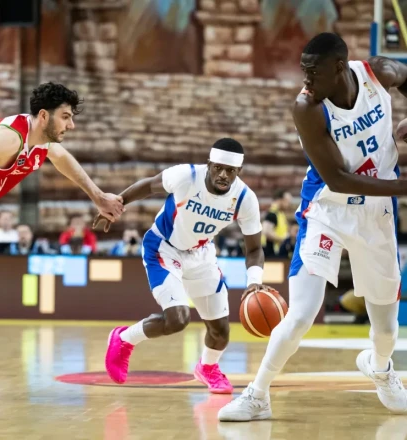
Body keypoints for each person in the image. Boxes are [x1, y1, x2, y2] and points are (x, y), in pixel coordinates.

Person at [218, 32, 407, 421]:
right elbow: (338, 179)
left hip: (376, 215)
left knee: (387, 329)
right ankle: (257, 394)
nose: (304, 79)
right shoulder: (307, 107)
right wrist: (403, 187)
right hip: (326, 210)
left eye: (312, 71)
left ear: (338, 67)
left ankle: (381, 368)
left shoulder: (379, 73)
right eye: (303, 70)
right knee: (301, 314)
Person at [0, 82, 124, 398]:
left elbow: (62, 158)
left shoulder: (41, 143)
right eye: (65, 117)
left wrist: (98, 197)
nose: (71, 125)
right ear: (43, 116)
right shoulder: (8, 138)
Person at [94, 138, 271, 393]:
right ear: (209, 164)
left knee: (221, 331)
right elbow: (149, 186)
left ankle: (207, 367)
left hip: (201, 255)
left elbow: (254, 248)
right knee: (178, 319)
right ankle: (123, 339)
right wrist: (116, 204)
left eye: (230, 170)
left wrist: (254, 282)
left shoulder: (245, 198)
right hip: (164, 248)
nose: (223, 175)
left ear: (238, 171)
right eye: (218, 168)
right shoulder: (186, 176)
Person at [261, 189, 292, 257]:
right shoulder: (272, 214)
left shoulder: (280, 214)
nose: (288, 204)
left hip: (278, 251)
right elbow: (266, 232)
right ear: (280, 200)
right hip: (272, 253)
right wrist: (283, 239)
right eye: (287, 201)